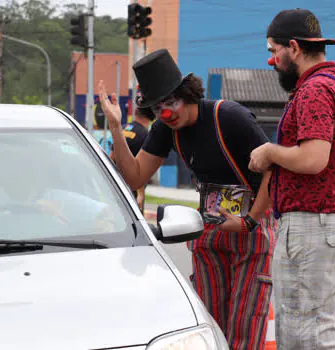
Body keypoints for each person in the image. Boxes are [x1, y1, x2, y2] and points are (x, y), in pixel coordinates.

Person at [98, 48, 276, 350]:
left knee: (245, 327)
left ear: (187, 93)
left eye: (170, 103)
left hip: (251, 228)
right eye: (157, 108)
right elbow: (135, 177)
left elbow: (273, 171)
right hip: (211, 228)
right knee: (209, 325)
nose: (165, 114)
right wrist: (116, 126)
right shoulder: (166, 129)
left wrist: (248, 221)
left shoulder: (230, 116)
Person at [249, 9, 335, 349]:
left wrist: (270, 151)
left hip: (313, 227)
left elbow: (314, 159)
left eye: (274, 51)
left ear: (294, 48)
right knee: (323, 330)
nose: (272, 60)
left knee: (305, 335)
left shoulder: (314, 90)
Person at [109, 101, 153, 213]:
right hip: (133, 189)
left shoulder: (123, 129)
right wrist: (141, 194)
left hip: (116, 186)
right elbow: (142, 168)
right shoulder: (145, 135)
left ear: (135, 112)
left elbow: (112, 157)